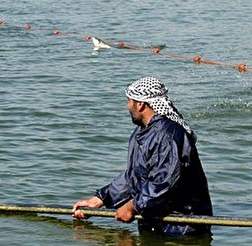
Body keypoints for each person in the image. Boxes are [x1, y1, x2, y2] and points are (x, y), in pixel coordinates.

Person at [72, 77, 213, 236]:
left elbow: (164, 182)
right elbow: (135, 175)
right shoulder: (143, 132)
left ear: (140, 105)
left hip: (182, 227)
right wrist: (100, 199)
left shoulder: (168, 135)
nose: (127, 106)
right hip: (155, 222)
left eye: (129, 101)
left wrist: (133, 207)